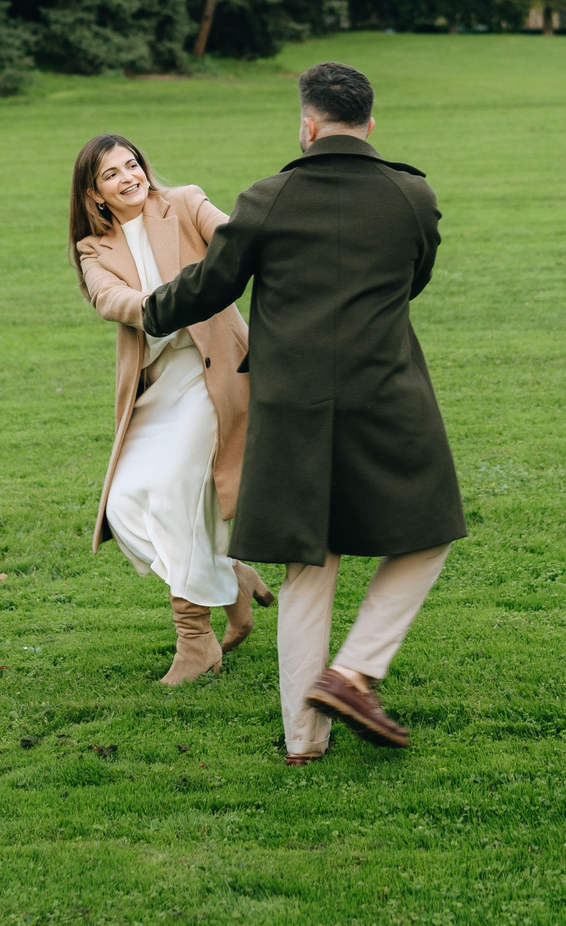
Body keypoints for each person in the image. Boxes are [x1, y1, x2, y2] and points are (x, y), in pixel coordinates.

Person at [142, 62, 465, 764]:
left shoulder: (267, 198)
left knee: (308, 566)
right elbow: (415, 281)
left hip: (292, 407)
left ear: (308, 125)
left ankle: (303, 742)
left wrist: (148, 309)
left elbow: (210, 285)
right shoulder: (414, 196)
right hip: (388, 394)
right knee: (430, 530)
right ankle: (354, 672)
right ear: (370, 126)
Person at [70, 134, 276, 686]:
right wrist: (159, 305)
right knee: (125, 503)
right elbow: (107, 299)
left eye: (131, 165)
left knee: (175, 495)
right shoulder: (94, 249)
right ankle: (229, 575)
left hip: (213, 378)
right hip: (157, 388)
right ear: (95, 195)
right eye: (111, 174)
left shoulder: (184, 202)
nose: (128, 177)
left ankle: (195, 641)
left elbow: (236, 240)